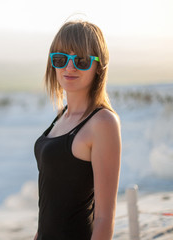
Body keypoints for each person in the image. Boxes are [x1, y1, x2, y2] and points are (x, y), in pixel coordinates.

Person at [33, 20, 121, 240]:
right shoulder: (61, 116)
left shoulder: (103, 123)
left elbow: (104, 218)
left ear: (98, 66)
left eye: (81, 60)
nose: (69, 67)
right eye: (61, 59)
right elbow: (50, 206)